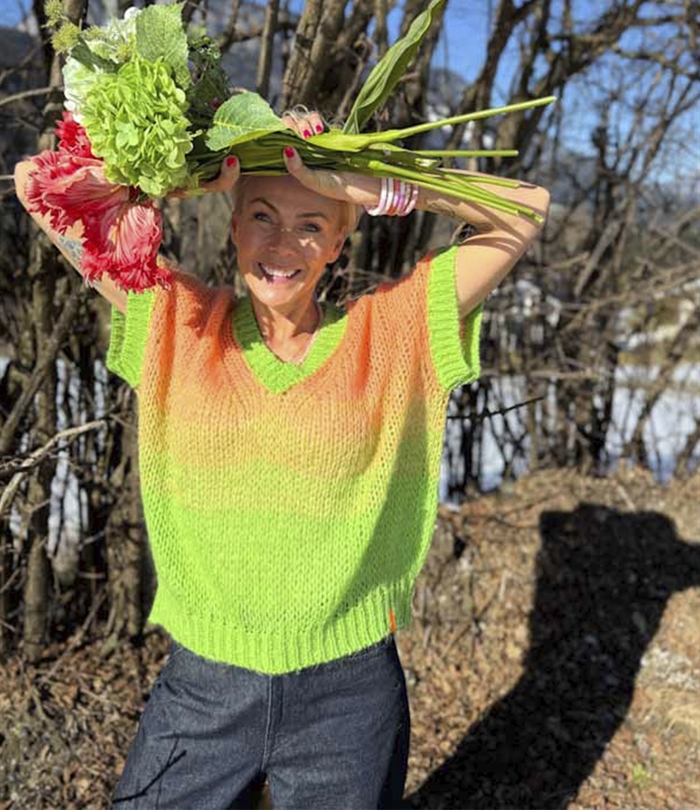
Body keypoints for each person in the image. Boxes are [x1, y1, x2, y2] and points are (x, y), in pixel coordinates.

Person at [14, 107, 550, 809]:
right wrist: (191, 175)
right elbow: (35, 184)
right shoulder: (177, 322)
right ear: (233, 225)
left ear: (336, 243)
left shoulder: (392, 337)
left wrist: (372, 186)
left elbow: (525, 206)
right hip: (204, 686)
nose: (281, 244)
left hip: (348, 697)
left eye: (311, 224)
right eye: (261, 216)